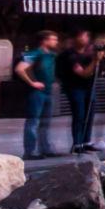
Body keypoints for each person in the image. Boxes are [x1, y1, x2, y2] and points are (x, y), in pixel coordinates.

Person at [14, 31, 61, 160]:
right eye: (53, 39)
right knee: (33, 121)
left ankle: (45, 148)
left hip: (48, 90)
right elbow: (19, 69)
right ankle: (30, 151)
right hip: (37, 92)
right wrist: (32, 83)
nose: (56, 42)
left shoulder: (51, 55)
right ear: (44, 41)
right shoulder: (35, 54)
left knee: (45, 122)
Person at [59, 31, 101, 154]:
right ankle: (77, 144)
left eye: (87, 36)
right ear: (76, 38)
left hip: (89, 88)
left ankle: (86, 142)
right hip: (75, 88)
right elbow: (84, 73)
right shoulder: (70, 55)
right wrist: (95, 61)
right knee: (79, 115)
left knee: (89, 115)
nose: (86, 38)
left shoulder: (87, 54)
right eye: (83, 36)